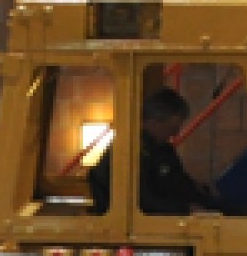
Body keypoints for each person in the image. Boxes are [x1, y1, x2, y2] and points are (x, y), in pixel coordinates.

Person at [88, 86, 219, 217]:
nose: (175, 134)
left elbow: (181, 184)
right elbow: (141, 201)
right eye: (172, 128)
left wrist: (212, 203)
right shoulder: (127, 152)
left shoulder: (164, 151)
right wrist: (185, 210)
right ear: (154, 122)